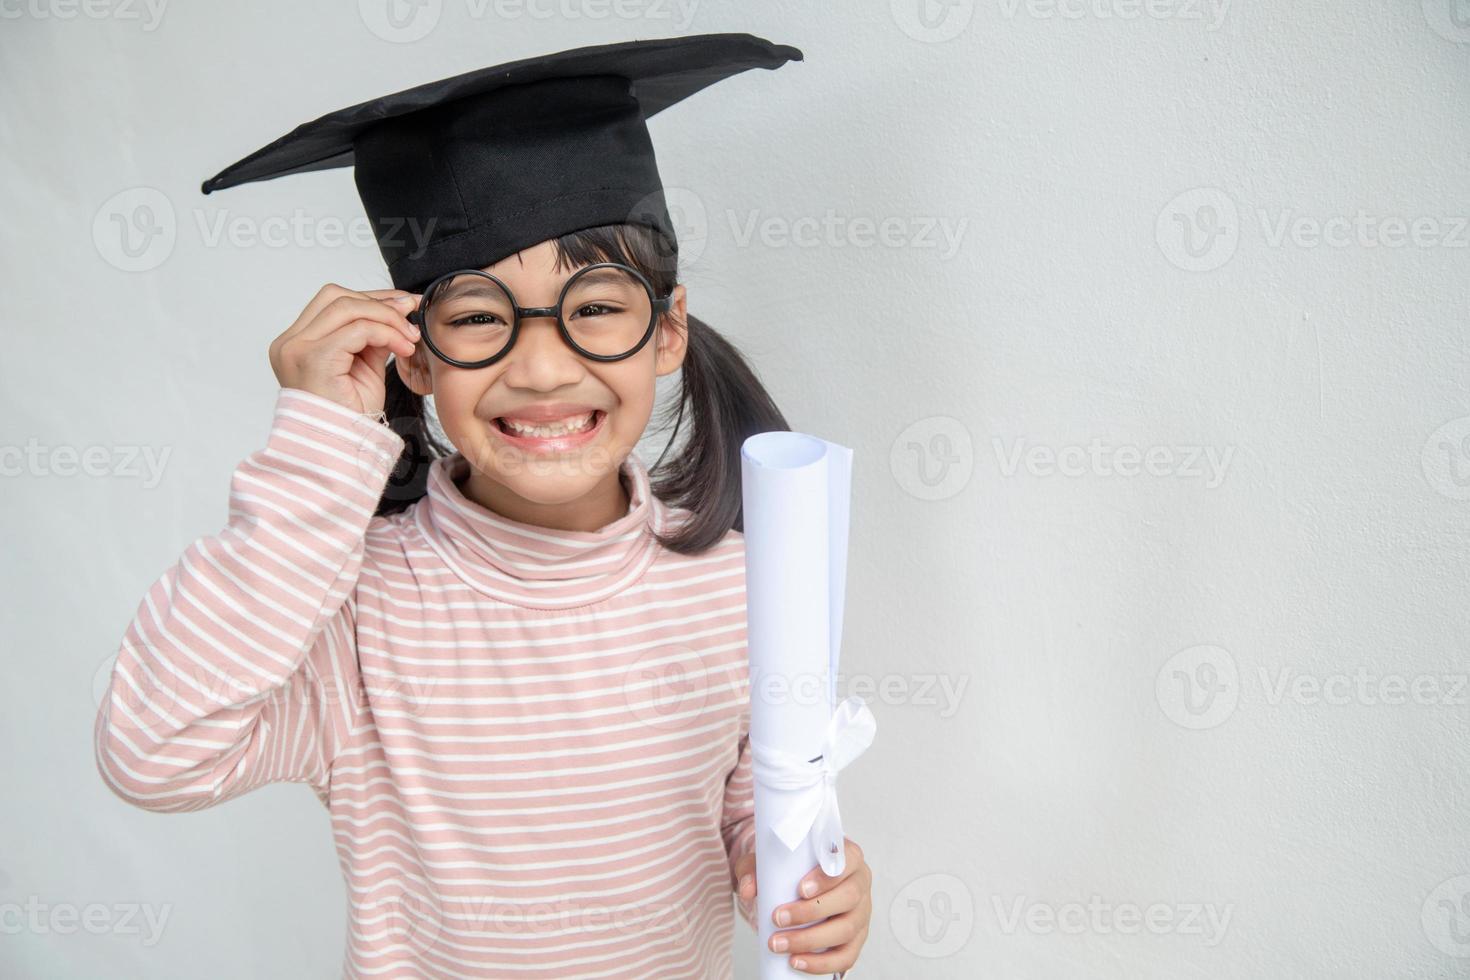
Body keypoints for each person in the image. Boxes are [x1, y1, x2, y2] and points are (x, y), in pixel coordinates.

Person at [92, 33, 870, 978]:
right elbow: (154, 754)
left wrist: (799, 876)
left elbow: (753, 806)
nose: (542, 368)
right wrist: (317, 447)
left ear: (665, 329)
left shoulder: (736, 582)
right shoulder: (355, 613)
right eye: (474, 317)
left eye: (594, 307)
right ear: (412, 356)